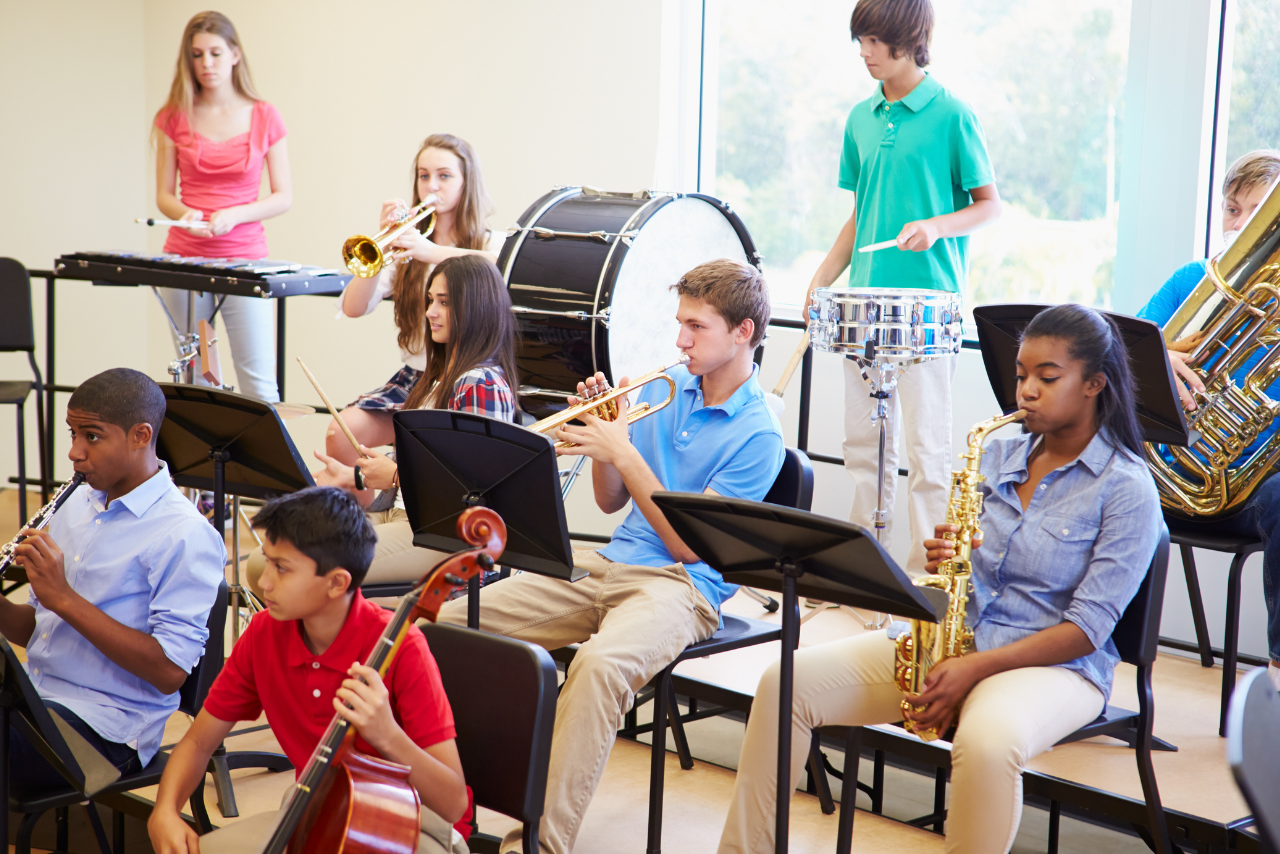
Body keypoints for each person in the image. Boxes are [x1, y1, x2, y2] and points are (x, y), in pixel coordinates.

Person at [718, 304, 1163, 854]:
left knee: (987, 742)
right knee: (785, 683)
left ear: (1095, 384)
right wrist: (946, 559)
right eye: (1021, 375)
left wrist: (971, 669)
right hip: (955, 642)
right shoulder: (998, 452)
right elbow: (962, 570)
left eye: (1047, 378)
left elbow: (1087, 630)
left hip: (1057, 666)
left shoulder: (1128, 488)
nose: (1025, 391)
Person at [436, 259, 785, 854]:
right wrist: (603, 437)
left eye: (696, 327)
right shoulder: (660, 389)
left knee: (598, 668)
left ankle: (540, 844)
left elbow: (688, 545)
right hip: (608, 564)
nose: (680, 340)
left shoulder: (760, 436)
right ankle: (444, 805)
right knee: (449, 625)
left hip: (682, 587)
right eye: (680, 323)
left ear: (743, 332)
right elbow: (607, 500)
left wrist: (620, 450)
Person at [146, 487, 471, 854]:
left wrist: (387, 735)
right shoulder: (264, 633)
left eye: (281, 568)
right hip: (321, 811)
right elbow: (199, 741)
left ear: (337, 583)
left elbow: (452, 804)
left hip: (415, 828)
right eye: (267, 561)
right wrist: (165, 811)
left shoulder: (403, 648)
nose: (265, 581)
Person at [802, 0, 1000, 574]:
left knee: (928, 453)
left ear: (908, 39)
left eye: (872, 41)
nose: (862, 52)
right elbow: (860, 215)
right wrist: (821, 280)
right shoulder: (860, 119)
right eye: (859, 40)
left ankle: (925, 581)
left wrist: (936, 227)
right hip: (864, 306)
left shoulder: (953, 115)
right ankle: (867, 573)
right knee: (863, 449)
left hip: (929, 308)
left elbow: (990, 207)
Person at [3, 368, 224, 798]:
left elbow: (169, 672)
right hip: (38, 699)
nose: (74, 452)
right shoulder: (73, 505)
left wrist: (64, 598)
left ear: (141, 435)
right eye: (72, 434)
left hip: (107, 732)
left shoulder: (184, 534)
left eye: (92, 436)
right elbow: (43, 634)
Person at [245, 255, 519, 594]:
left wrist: (389, 474)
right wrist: (353, 477)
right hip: (402, 517)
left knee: (282, 569)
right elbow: (427, 466)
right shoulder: (438, 377)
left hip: (441, 533)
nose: (430, 312)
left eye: (444, 303)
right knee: (265, 560)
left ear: (477, 308)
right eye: (430, 300)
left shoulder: (481, 382)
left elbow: (475, 489)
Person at [1138, 149, 1280, 690]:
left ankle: (1277, 680)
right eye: (1232, 208)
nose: (1241, 223)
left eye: (1258, 211)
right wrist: (1159, 360)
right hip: (1164, 478)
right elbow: (1116, 356)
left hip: (1250, 493)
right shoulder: (1192, 281)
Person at [330, 133, 501, 468]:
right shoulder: (409, 246)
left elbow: (503, 266)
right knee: (341, 434)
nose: (432, 186)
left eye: (444, 175)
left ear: (467, 182)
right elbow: (353, 308)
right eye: (424, 176)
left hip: (466, 379)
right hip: (417, 377)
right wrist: (380, 249)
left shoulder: (490, 242)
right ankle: (361, 516)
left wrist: (433, 252)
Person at [152, 11, 292, 403]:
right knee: (194, 380)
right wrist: (186, 215)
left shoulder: (265, 115)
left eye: (215, 53)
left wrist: (235, 215)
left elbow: (283, 196)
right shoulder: (172, 117)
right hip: (184, 258)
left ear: (234, 54)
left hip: (245, 261)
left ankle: (266, 466)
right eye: (197, 55)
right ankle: (202, 467)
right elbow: (164, 195)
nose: (206, 64)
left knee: (259, 384)